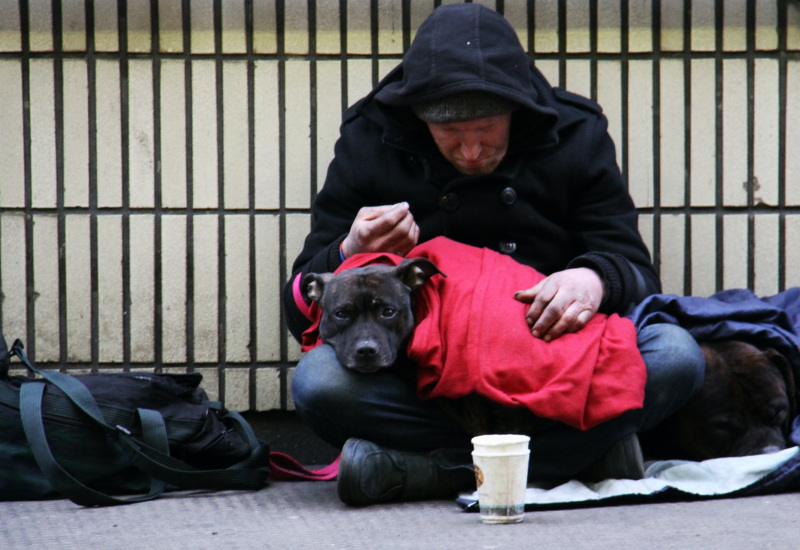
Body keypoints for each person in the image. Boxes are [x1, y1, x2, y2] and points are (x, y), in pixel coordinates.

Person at [283, 4, 705, 506]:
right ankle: (576, 456)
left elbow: (635, 271)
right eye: (450, 135)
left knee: (677, 355)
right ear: (420, 120)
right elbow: (301, 305)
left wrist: (592, 279)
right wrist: (350, 249)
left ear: (516, 110)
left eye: (486, 131)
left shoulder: (575, 131)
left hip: (547, 363)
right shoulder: (371, 137)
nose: (470, 153)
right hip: (425, 379)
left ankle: (423, 472)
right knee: (318, 383)